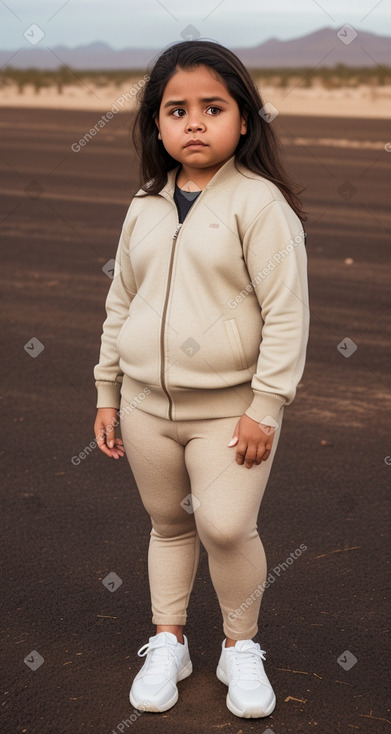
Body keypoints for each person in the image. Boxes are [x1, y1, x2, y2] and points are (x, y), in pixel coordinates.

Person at [93, 39, 310, 720]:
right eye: (175, 110)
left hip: (230, 410)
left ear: (242, 119)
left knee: (222, 525)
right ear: (156, 125)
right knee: (167, 525)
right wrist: (106, 391)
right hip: (143, 405)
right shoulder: (145, 204)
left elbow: (285, 314)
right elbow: (120, 302)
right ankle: (169, 642)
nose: (193, 122)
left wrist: (265, 405)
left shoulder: (259, 204)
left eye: (211, 108)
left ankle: (239, 647)